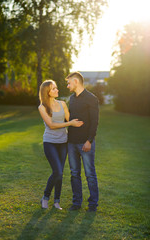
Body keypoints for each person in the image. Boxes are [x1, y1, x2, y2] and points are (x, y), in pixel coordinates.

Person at [38, 80, 83, 210]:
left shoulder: (62, 103)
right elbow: (51, 125)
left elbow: (70, 119)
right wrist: (70, 124)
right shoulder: (42, 107)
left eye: (56, 88)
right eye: (53, 89)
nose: (57, 90)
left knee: (60, 172)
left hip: (63, 142)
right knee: (57, 171)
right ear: (47, 93)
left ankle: (57, 201)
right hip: (50, 142)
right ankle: (45, 197)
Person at [66, 72, 99, 212]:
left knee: (90, 174)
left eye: (68, 83)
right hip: (71, 143)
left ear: (75, 81)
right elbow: (68, 120)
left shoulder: (91, 99)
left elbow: (94, 122)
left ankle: (92, 204)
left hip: (85, 143)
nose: (67, 86)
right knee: (74, 174)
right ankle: (76, 203)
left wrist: (89, 141)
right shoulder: (71, 99)